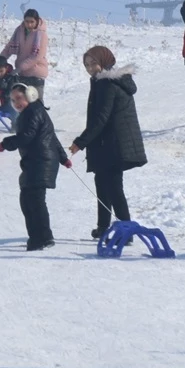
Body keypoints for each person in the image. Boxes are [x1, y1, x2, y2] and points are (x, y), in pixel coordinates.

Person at [67, 46, 147, 238]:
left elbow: (100, 119)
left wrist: (81, 142)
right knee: (102, 184)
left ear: (104, 62)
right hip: (108, 143)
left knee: (113, 187)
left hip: (113, 144)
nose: (90, 68)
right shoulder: (105, 82)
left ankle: (126, 230)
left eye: (93, 63)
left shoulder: (108, 84)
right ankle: (103, 226)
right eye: (86, 65)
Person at [0, 83, 69, 251]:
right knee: (31, 200)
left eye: (19, 98)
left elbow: (27, 136)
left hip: (41, 161)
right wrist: (63, 158)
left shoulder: (33, 112)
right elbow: (52, 137)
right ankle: (43, 236)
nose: (16, 103)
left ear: (30, 95)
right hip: (39, 161)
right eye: (13, 100)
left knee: (33, 201)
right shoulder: (35, 111)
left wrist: (6, 143)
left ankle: (39, 239)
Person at [0, 8, 49, 95]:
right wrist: (0, 61)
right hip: (22, 74)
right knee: (21, 103)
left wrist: (20, 68)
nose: (29, 24)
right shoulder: (19, 31)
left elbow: (37, 56)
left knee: (36, 104)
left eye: (32, 22)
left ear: (36, 21)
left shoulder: (41, 34)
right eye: (26, 21)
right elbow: (8, 48)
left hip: (36, 74)